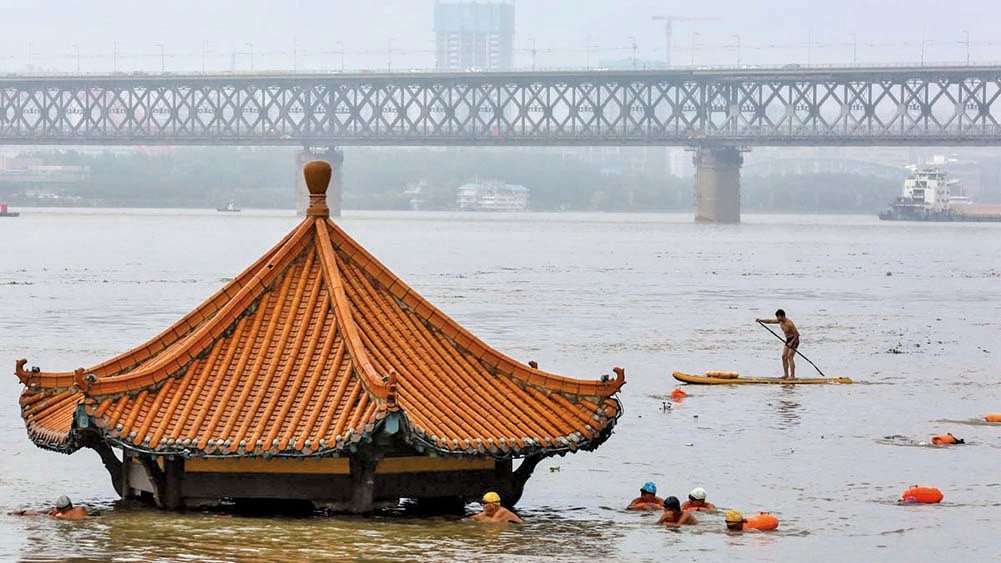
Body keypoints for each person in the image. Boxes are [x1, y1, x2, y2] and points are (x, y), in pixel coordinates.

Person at [756, 309, 800, 379]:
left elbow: (797, 334)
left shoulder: (789, 323)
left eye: (778, 317)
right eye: (777, 317)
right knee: (783, 356)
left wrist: (791, 343)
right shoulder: (780, 321)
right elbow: (769, 321)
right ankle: (786, 375)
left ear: (782, 316)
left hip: (794, 340)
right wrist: (761, 320)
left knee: (790, 357)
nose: (777, 319)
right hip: (788, 340)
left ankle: (792, 376)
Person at [9, 496, 88, 520]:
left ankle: (19, 512)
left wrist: (20, 513)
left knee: (41, 514)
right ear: (71, 504)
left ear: (58, 508)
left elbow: (36, 514)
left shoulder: (59, 516)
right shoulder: (81, 509)